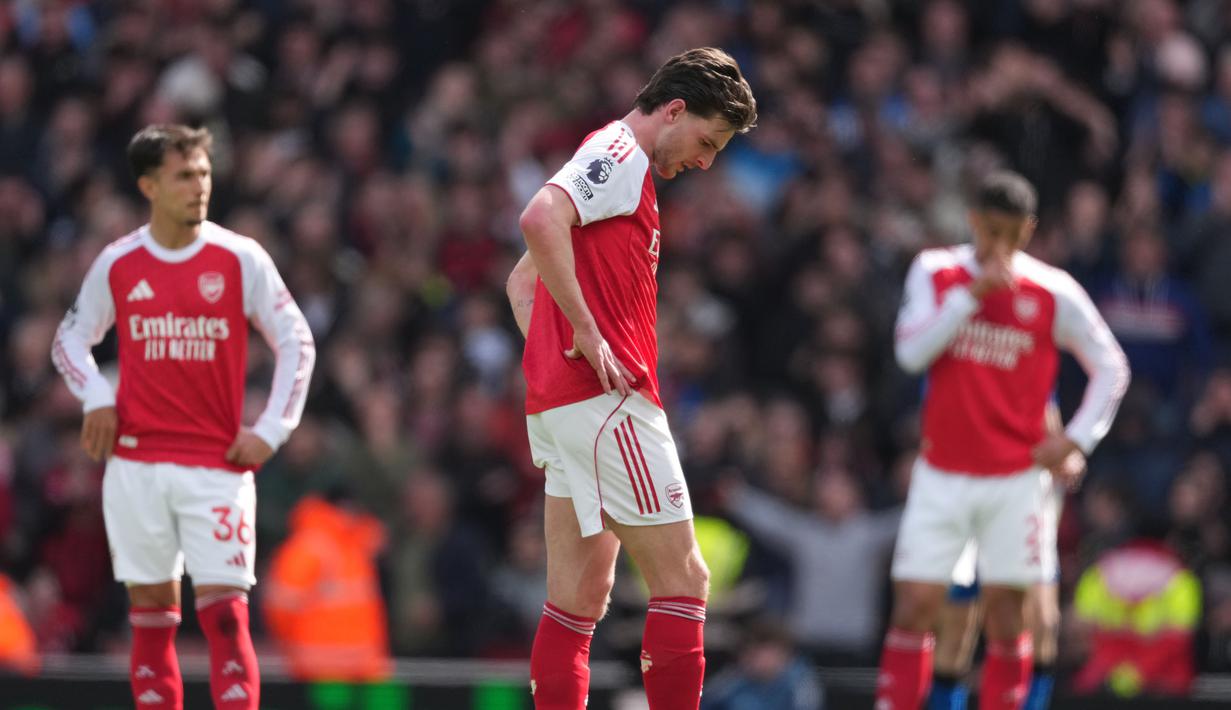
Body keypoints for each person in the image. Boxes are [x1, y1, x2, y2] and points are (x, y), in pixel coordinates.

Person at [504, 47, 757, 710]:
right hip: (609, 403)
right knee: (685, 580)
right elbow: (538, 218)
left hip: (566, 408)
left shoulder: (612, 164)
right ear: (673, 110)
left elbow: (522, 282)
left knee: (577, 599)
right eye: (706, 141)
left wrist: (556, 355)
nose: (705, 162)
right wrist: (586, 335)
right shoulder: (620, 154)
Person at [51, 124, 315, 709]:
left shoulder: (240, 258)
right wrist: (96, 395)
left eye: (203, 174)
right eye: (183, 176)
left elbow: (297, 341)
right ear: (148, 186)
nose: (199, 187)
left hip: (216, 467)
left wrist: (272, 429)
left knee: (227, 617)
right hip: (136, 465)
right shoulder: (120, 263)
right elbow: (69, 340)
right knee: (151, 618)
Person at [876, 171, 1130, 710]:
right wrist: (970, 297)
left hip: (1017, 479)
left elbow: (1112, 366)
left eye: (1012, 235)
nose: (1000, 246)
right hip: (942, 472)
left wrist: (1077, 440)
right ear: (974, 222)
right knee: (916, 605)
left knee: (1010, 614)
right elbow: (911, 354)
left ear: (1028, 230)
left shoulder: (1053, 290)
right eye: (991, 232)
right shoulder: (937, 271)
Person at [263, 490, 390, 681]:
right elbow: (281, 607)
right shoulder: (309, 547)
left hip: (367, 663)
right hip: (322, 666)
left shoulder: (355, 543)